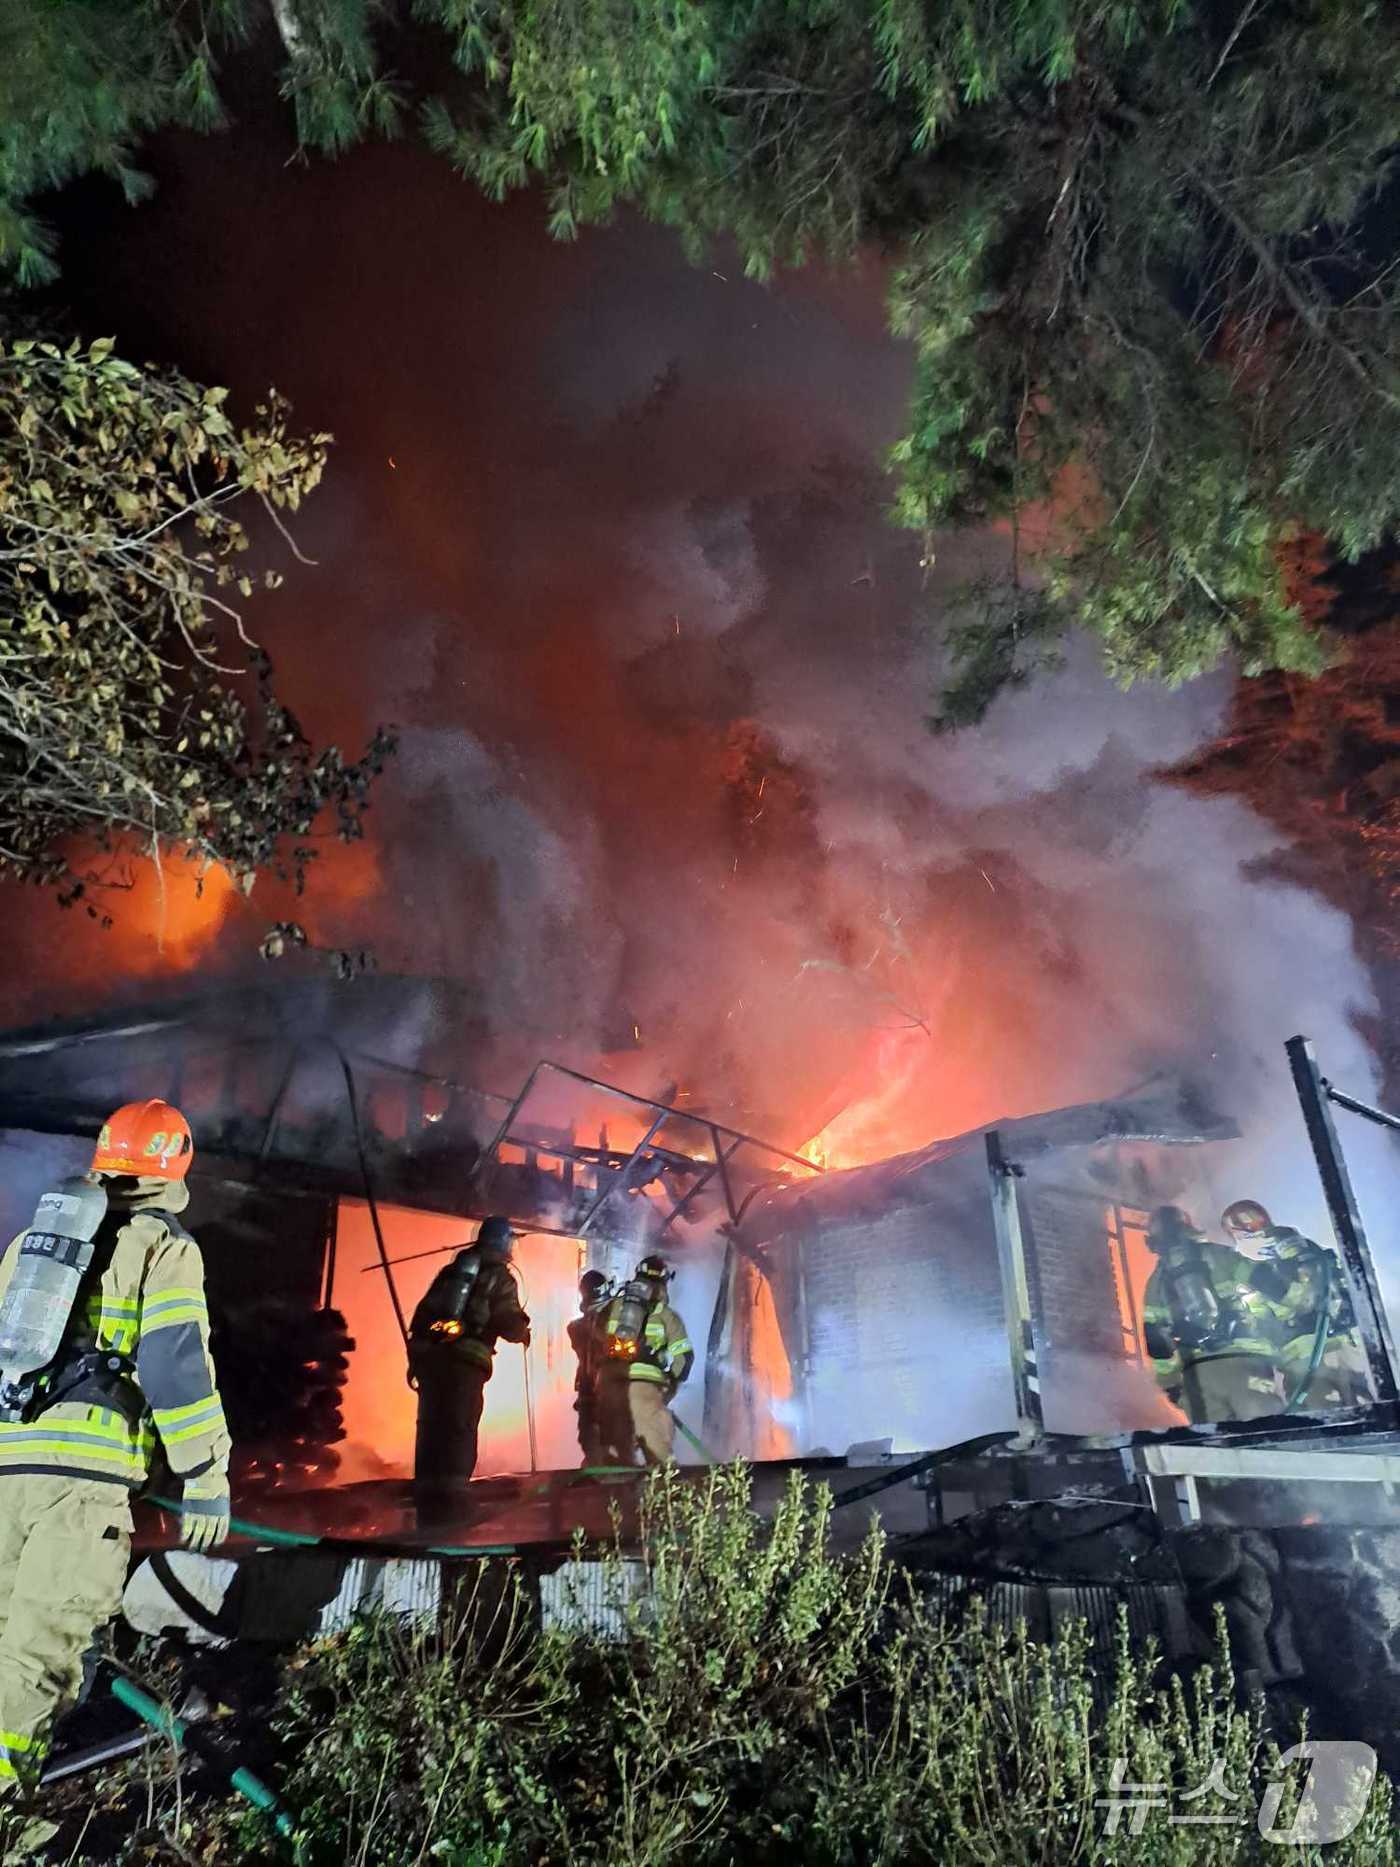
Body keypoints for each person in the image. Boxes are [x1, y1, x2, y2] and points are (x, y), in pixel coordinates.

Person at [0, 1100, 230, 1833]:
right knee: (34, 1660)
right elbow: (173, 1361)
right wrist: (204, 1475)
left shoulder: (30, 1244)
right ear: (174, 1165)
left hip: (6, 1472)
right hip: (79, 1490)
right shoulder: (160, 1242)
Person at [407, 1215, 530, 1498]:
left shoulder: (450, 1273)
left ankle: (425, 1492)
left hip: (432, 1361)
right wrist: (523, 1330)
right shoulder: (499, 1277)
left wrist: (416, 1361)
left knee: (430, 1424)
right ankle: (453, 1495)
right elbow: (508, 1321)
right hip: (467, 1363)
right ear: (503, 1242)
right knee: (459, 1425)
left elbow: (422, 1317)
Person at [1141, 1204, 1284, 1424]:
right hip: (1245, 1363)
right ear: (1188, 1227)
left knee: (1219, 1449)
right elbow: (1267, 1282)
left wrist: (1171, 1385)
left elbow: (1157, 1343)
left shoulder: (1155, 1284)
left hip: (1198, 1376)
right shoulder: (1220, 1255)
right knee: (1270, 1437)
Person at [1222, 1200, 1371, 1410]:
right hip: (1346, 1341)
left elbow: (1269, 1319)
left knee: (1325, 1419)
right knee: (1366, 1407)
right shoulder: (1305, 1246)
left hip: (1305, 1356)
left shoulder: (1254, 1267)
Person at [595, 1255, 693, 1465]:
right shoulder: (666, 1316)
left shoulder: (611, 1308)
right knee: (663, 1471)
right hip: (644, 1395)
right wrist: (667, 1388)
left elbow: (593, 1344)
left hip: (609, 1392)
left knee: (611, 1467)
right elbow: (684, 1360)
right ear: (663, 1283)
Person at [567, 1270, 610, 1467]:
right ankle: (596, 1472)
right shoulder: (577, 1327)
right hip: (590, 1389)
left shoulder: (615, 1321)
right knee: (590, 1439)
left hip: (608, 1388)